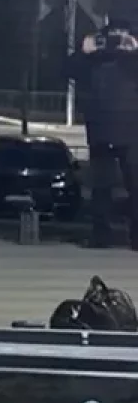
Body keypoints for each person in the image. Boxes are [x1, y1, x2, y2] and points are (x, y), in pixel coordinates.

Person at [69, 26, 138, 250]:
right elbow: (67, 71)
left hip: (130, 130)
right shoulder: (93, 59)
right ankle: (101, 236)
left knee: (134, 185)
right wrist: (83, 52)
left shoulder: (131, 62)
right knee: (101, 187)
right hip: (101, 129)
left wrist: (134, 52)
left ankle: (131, 237)